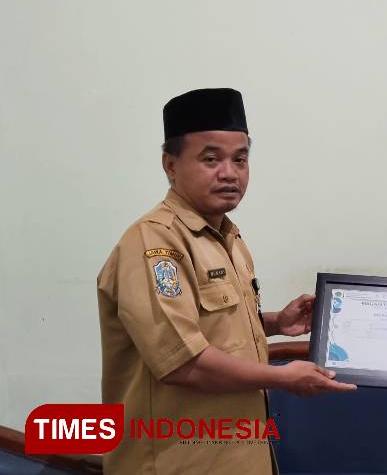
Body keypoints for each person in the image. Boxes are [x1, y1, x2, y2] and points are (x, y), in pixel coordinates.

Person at [97, 88, 355, 475]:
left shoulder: (228, 238)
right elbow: (183, 363)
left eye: (240, 159)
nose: (229, 173)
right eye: (210, 159)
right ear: (170, 164)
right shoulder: (154, 243)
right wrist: (283, 378)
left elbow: (205, 326)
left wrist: (275, 324)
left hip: (236, 456)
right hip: (176, 462)